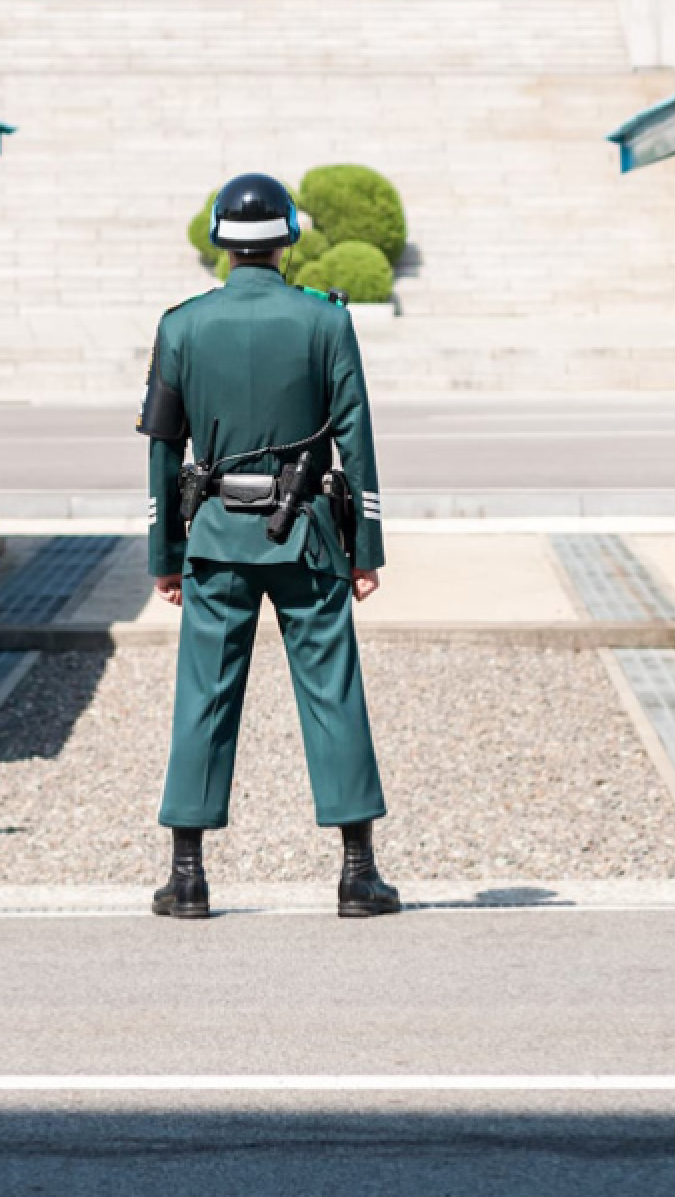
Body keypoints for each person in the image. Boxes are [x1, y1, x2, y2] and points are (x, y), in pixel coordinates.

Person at [137, 172, 399, 919]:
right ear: (287, 237)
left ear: (220, 242)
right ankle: (357, 873)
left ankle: (186, 875)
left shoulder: (181, 326)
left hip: (215, 541)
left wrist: (165, 554)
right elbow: (358, 439)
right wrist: (366, 548)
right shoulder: (326, 321)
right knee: (333, 694)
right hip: (308, 541)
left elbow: (161, 451)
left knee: (203, 699)